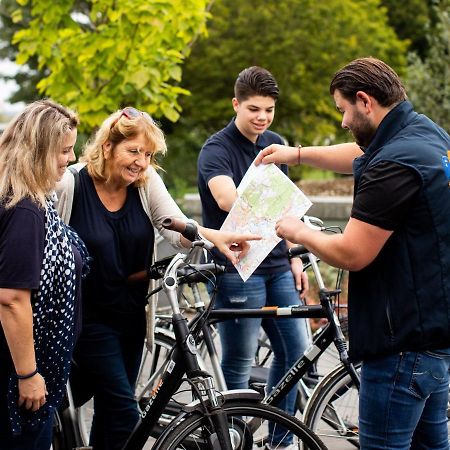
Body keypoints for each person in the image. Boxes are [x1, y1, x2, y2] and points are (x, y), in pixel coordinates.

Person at [256, 57, 450, 449]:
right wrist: (295, 155)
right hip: (434, 334)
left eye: (343, 110)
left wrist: (296, 229)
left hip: (400, 344)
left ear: (365, 101)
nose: (343, 121)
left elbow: (352, 252)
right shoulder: (426, 135)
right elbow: (361, 153)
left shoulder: (393, 164)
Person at [54, 106, 259, 450]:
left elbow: (176, 229)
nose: (141, 162)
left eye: (147, 154)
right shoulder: (70, 184)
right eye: (133, 151)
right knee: (124, 410)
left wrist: (214, 238)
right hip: (85, 320)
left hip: (131, 318)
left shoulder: (145, 183)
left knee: (112, 417)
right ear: (107, 147)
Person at [197, 66, 311, 448]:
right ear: (236, 104)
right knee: (240, 363)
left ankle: (279, 440)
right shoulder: (217, 148)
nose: (262, 117)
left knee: (296, 352)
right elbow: (227, 200)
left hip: (278, 265)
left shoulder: (274, 143)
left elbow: (289, 212)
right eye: (254, 109)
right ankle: (233, 440)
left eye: (269, 110)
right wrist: (277, 200)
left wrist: (296, 255)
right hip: (237, 269)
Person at [0, 100, 84, 450]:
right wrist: (29, 375)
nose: (71, 158)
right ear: (39, 150)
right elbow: (12, 299)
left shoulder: (24, 197)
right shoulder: (26, 210)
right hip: (17, 377)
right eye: (64, 150)